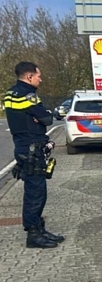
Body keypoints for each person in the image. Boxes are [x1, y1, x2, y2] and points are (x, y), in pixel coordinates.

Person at [3, 61, 63, 248]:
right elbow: (46, 118)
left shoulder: (10, 93)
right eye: (38, 76)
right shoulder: (27, 95)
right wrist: (42, 115)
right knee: (36, 194)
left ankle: (39, 228)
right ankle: (34, 234)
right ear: (29, 76)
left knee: (36, 191)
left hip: (23, 146)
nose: (40, 79)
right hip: (31, 148)